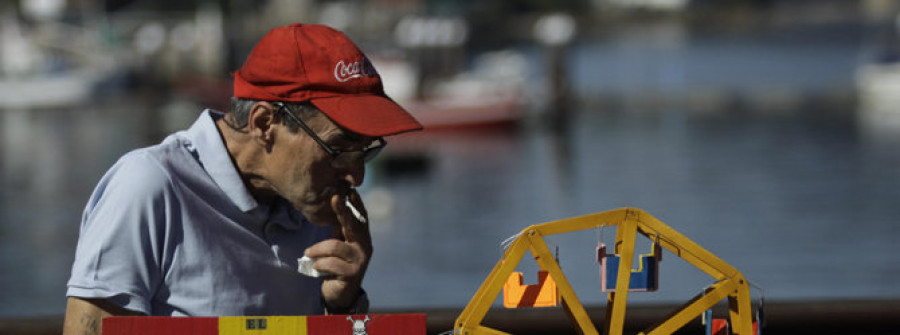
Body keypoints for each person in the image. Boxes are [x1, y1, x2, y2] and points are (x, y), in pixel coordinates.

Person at [63, 23, 423, 334]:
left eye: (365, 151)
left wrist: (342, 305)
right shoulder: (150, 186)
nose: (355, 175)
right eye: (339, 149)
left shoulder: (314, 206)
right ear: (264, 124)